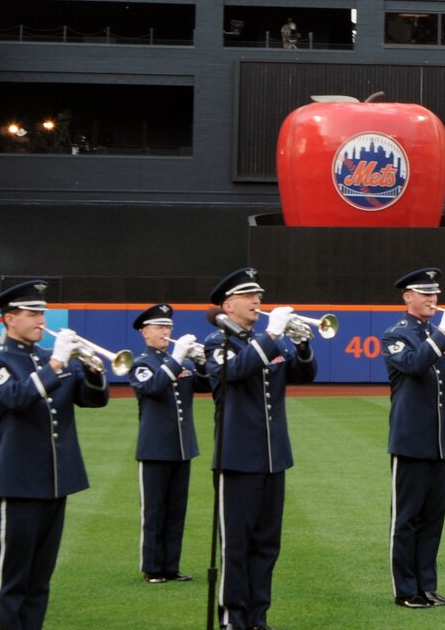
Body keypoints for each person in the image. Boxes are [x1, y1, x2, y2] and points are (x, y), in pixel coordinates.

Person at [0, 280, 109, 629]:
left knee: (39, 579)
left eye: (42, 313)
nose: (40, 319)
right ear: (9, 319)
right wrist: (58, 362)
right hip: (19, 484)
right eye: (32, 313)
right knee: (12, 578)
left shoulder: (52, 360)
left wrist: (93, 369)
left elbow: (94, 399)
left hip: (56, 481)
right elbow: (14, 398)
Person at [204, 267, 318, 630]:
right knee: (236, 547)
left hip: (273, 457)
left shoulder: (268, 342)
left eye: (259, 295)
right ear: (228, 304)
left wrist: (302, 344)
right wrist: (271, 334)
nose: (258, 301)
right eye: (249, 296)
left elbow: (304, 375)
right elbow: (236, 372)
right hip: (237, 460)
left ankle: (257, 618)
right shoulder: (217, 343)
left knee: (267, 545)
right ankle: (232, 619)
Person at [385, 267, 445, 608]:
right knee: (407, 519)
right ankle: (406, 590)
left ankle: (427, 586)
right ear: (407, 297)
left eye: (435, 293)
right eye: (424, 293)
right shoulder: (396, 334)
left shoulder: (444, 336)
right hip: (411, 441)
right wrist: (444, 330)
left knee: (432, 520)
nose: (432, 299)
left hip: (442, 441)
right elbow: (414, 364)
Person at [130, 303, 200, 584]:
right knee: (154, 510)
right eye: (160, 327)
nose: (166, 332)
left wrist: (203, 361)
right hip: (155, 447)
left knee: (176, 510)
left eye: (168, 327)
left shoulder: (181, 362)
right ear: (145, 333)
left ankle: (171, 566)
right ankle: (152, 567)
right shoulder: (141, 364)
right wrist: (177, 359)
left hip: (182, 446)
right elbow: (153, 387)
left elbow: (207, 384)